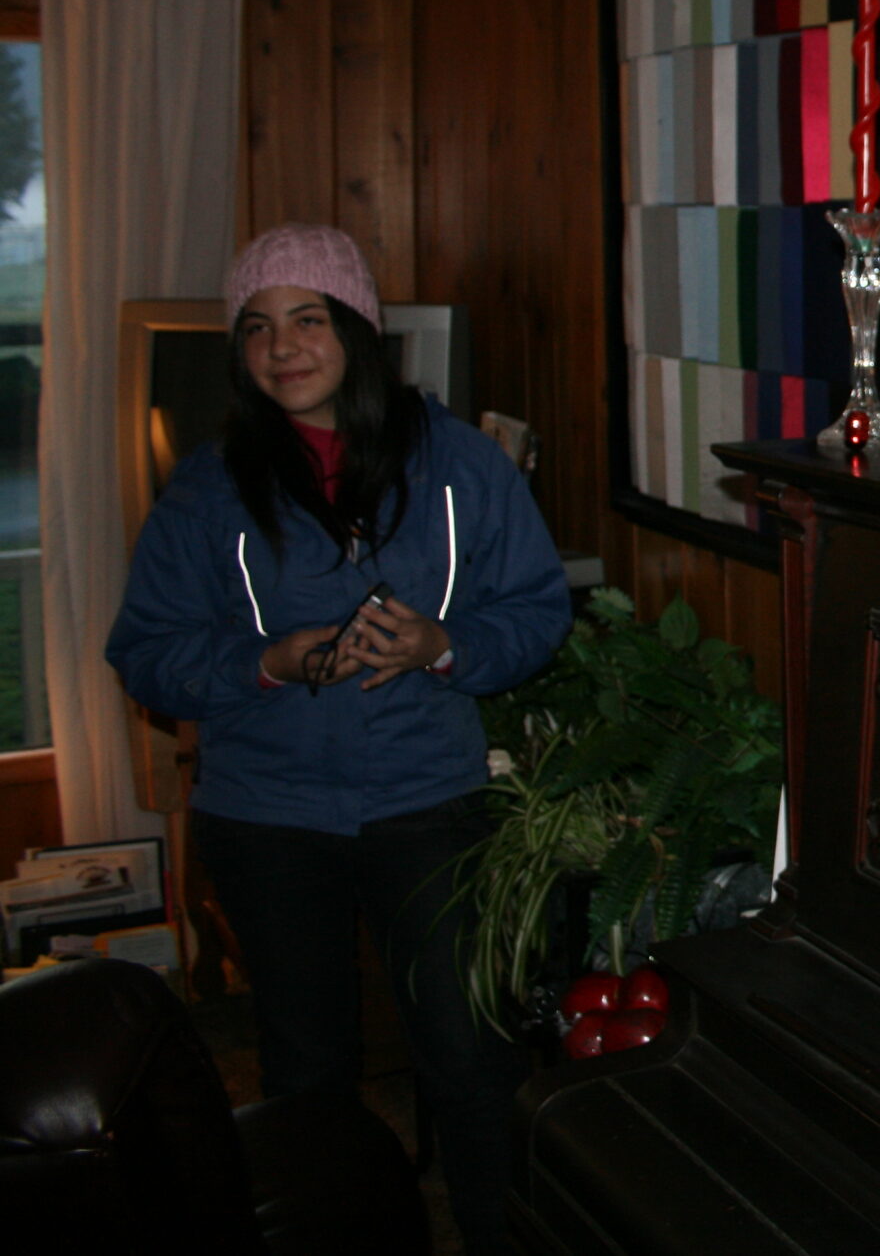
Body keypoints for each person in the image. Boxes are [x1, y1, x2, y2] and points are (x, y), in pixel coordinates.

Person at [105, 224, 572, 1256]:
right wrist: (265, 664)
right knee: (305, 1069)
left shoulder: (462, 465)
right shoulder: (208, 485)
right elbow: (144, 651)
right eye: (259, 327)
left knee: (467, 1051)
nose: (282, 347)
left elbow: (537, 612)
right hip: (267, 815)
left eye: (308, 319)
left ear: (358, 330)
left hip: (428, 802)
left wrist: (443, 643)